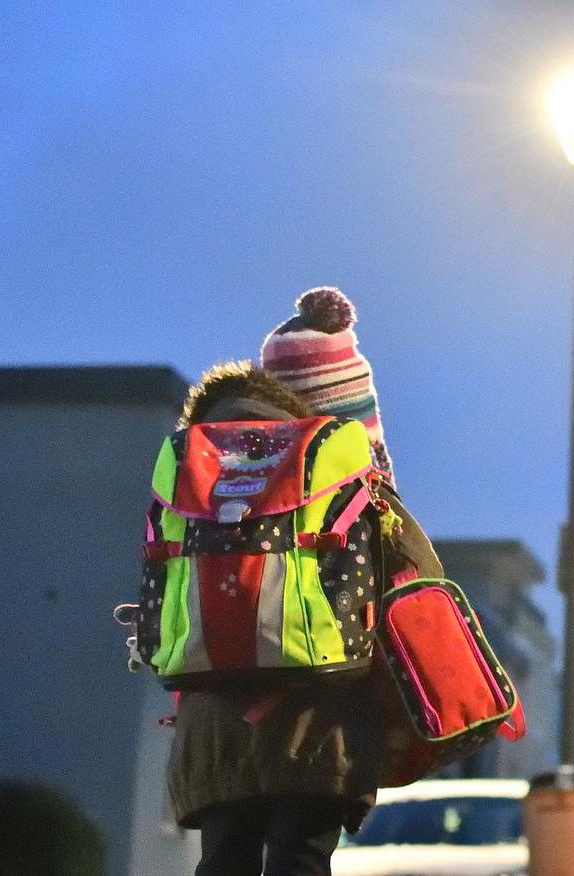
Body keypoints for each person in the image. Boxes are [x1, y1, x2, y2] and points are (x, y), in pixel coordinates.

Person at [168, 287, 442, 876]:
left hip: (212, 716)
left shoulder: (197, 465)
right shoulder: (349, 478)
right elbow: (420, 580)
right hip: (319, 717)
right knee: (300, 861)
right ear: (345, 404)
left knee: (223, 861)